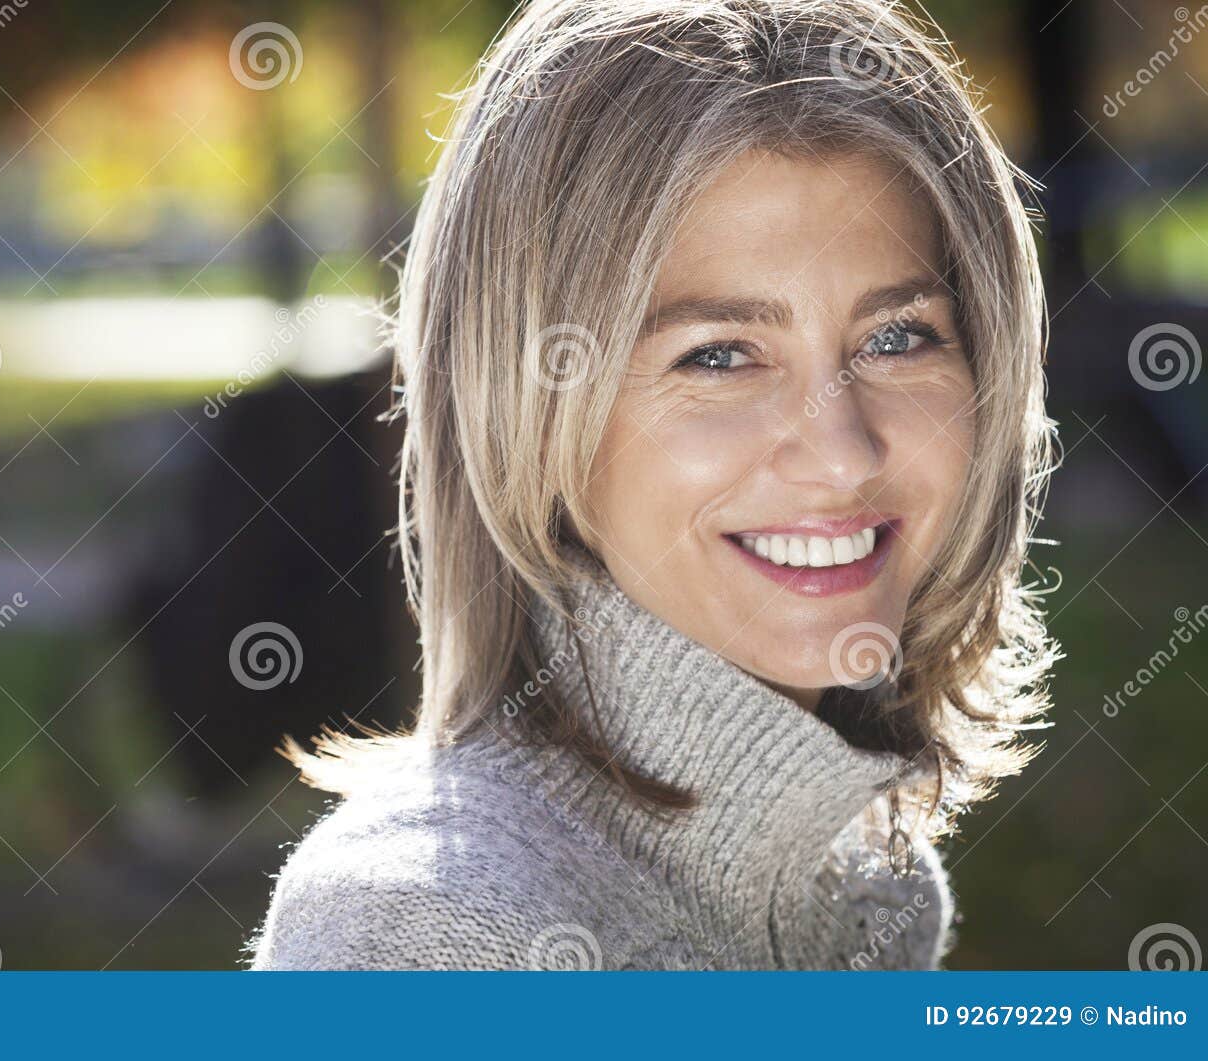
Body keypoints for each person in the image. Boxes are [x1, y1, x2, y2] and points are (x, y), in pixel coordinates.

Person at [247, 0, 1058, 970]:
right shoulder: (428, 930)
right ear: (530, 402)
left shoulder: (869, 890)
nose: (841, 453)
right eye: (719, 355)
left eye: (896, 337)